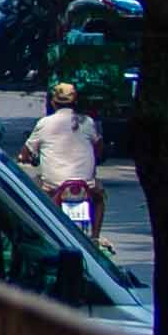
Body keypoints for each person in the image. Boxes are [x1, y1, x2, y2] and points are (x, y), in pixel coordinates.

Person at [24, 79, 104, 240]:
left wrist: (26, 158)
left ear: (53, 103)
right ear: (75, 101)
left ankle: (39, 235)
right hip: (85, 187)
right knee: (100, 197)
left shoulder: (44, 123)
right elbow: (99, 147)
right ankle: (95, 238)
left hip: (53, 186)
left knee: (31, 194)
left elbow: (25, 153)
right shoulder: (87, 122)